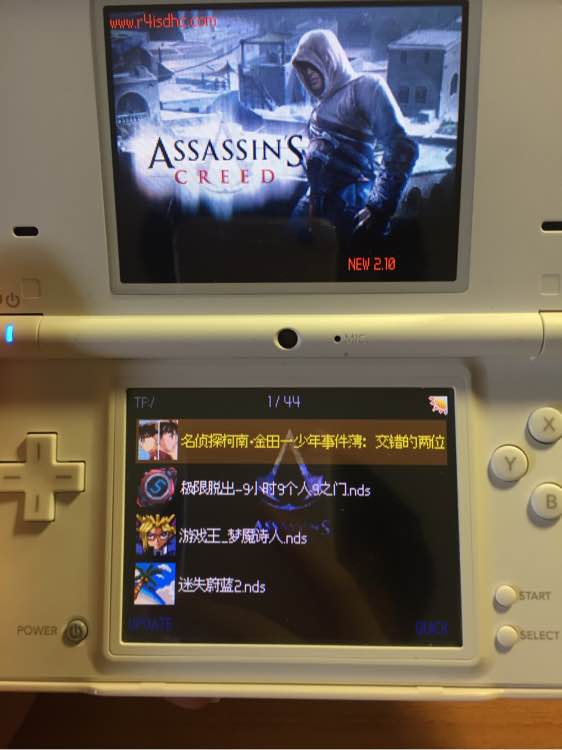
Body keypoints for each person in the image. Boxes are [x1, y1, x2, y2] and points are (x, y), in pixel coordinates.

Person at [291, 29, 419, 260]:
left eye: (313, 64)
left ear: (330, 58)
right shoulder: (321, 105)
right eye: (303, 67)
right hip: (315, 204)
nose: (308, 73)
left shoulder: (366, 87)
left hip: (351, 205)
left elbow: (402, 148)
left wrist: (378, 207)